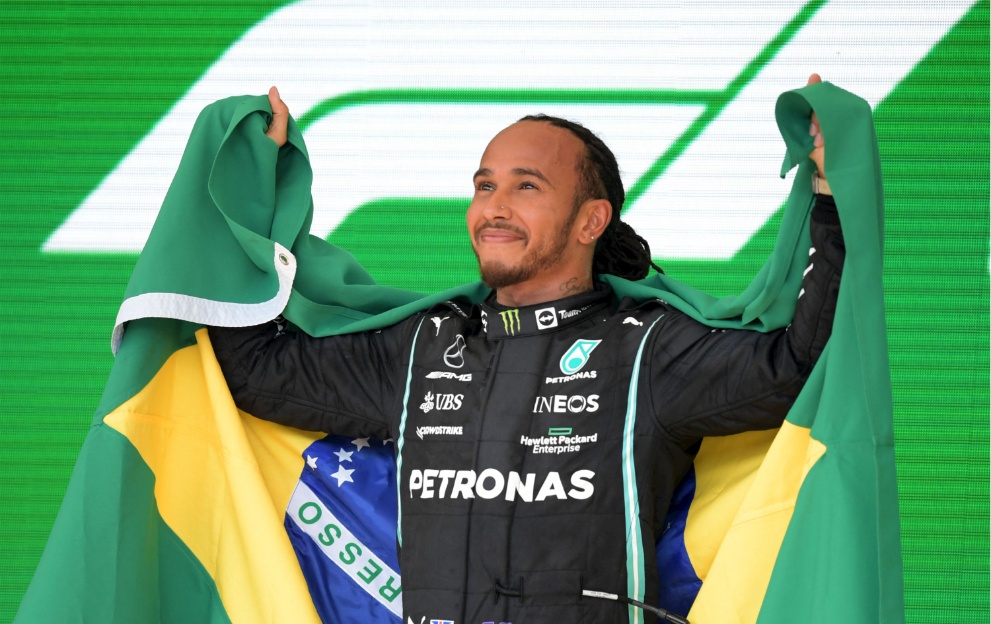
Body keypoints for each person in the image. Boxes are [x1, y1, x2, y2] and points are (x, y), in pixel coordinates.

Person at [210, 74, 843, 624]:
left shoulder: (647, 348)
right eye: (484, 186)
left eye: (526, 187)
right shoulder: (422, 347)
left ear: (591, 221)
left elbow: (797, 367)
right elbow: (258, 371)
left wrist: (828, 200)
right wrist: (247, 189)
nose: (494, 208)